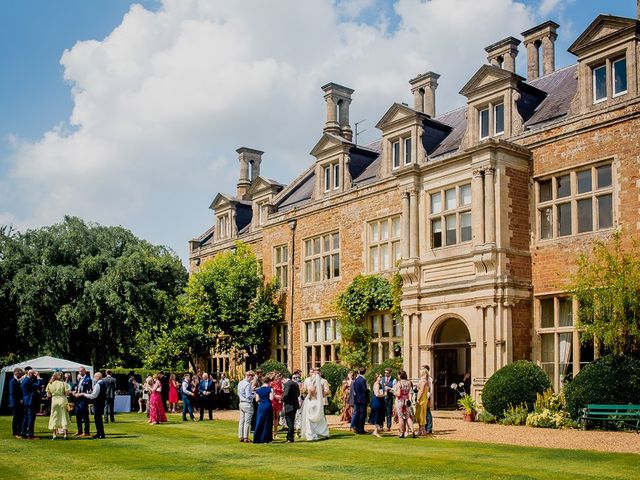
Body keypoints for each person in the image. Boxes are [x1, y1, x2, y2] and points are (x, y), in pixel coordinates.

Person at [300, 367, 330, 441]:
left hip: (319, 401)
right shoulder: (308, 381)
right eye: (313, 372)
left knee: (320, 417)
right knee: (312, 418)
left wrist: (321, 392)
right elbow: (304, 390)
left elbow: (327, 392)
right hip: (312, 401)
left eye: (316, 372)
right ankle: (313, 432)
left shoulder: (323, 381)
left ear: (320, 373)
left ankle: (321, 432)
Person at [79, 371, 106, 439]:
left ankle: (100, 433)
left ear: (98, 377)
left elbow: (93, 396)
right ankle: (99, 432)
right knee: (98, 418)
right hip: (101, 402)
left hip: (97, 403)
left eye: (94, 377)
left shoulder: (98, 384)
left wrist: (83, 394)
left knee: (98, 419)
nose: (94, 378)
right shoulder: (103, 383)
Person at [46, 372, 70, 439]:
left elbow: (48, 395)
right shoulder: (64, 384)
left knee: (54, 416)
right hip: (62, 400)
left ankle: (54, 434)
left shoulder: (49, 384)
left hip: (54, 400)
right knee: (64, 416)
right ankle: (65, 434)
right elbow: (67, 393)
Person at [21, 367, 42, 439]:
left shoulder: (26, 380)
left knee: (26, 418)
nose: (34, 375)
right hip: (30, 401)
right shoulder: (27, 381)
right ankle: (30, 434)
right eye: (33, 374)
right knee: (31, 418)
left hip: (27, 401)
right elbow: (37, 385)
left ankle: (23, 433)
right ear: (29, 374)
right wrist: (39, 377)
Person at [253, 375, 274, 444]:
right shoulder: (270, 389)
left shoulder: (258, 390)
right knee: (268, 422)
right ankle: (267, 438)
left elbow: (257, 400)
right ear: (269, 382)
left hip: (261, 406)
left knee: (259, 421)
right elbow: (271, 398)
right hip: (268, 405)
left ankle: (257, 438)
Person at [394, 370, 415, 438]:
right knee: (408, 417)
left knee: (401, 417)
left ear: (400, 375)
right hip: (407, 400)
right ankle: (413, 432)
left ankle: (402, 433)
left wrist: (394, 392)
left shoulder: (399, 383)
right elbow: (410, 392)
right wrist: (409, 399)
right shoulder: (409, 382)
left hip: (400, 401)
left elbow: (399, 394)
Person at [282, 372, 300, 443]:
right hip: (295, 404)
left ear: (284, 378)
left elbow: (286, 395)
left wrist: (281, 399)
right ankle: (290, 437)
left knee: (290, 422)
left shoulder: (287, 384)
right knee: (292, 421)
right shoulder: (295, 384)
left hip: (289, 405)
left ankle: (290, 438)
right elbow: (298, 394)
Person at [237, 370, 255, 442]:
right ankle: (245, 437)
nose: (252, 379)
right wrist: (255, 395)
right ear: (249, 376)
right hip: (247, 403)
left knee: (241, 420)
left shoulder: (240, 382)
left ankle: (241, 436)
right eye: (252, 377)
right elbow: (248, 396)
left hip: (241, 402)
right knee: (247, 421)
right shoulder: (247, 384)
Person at [352, 367, 368, 434]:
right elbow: (364, 390)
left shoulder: (356, 379)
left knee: (357, 414)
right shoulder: (363, 380)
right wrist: (368, 389)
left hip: (356, 399)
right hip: (362, 399)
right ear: (365, 372)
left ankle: (357, 427)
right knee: (362, 414)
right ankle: (361, 429)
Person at [369, 373, 386, 437]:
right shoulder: (376, 384)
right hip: (377, 401)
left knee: (379, 416)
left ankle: (375, 431)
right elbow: (377, 394)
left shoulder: (380, 384)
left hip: (380, 401)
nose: (381, 378)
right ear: (377, 377)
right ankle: (376, 432)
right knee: (377, 416)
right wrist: (384, 395)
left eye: (381, 377)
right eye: (380, 377)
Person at [9, 368, 24, 439]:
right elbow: (12, 392)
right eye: (19, 373)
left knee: (20, 417)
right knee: (16, 417)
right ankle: (15, 432)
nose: (21, 374)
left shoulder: (18, 381)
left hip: (18, 402)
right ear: (15, 373)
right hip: (15, 402)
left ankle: (19, 431)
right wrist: (19, 399)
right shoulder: (13, 381)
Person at [380, 367, 397, 431]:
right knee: (382, 412)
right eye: (385, 373)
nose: (385, 374)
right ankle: (381, 425)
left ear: (390, 373)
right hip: (382, 397)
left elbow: (395, 389)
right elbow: (380, 388)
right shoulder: (382, 379)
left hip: (389, 397)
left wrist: (390, 389)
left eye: (387, 373)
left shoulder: (394, 380)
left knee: (389, 412)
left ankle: (388, 426)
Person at [415, 367, 429, 436]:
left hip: (422, 399)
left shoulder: (423, 380)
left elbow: (422, 390)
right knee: (420, 414)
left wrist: (417, 399)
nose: (419, 372)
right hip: (423, 398)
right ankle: (421, 430)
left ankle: (422, 430)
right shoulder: (424, 380)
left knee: (421, 414)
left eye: (420, 371)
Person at [270, 372, 284, 437]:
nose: (279, 379)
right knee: (272, 417)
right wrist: (275, 396)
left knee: (276, 417)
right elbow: (270, 392)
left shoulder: (281, 384)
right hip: (273, 401)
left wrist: (281, 397)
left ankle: (276, 432)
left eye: (280, 377)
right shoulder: (272, 384)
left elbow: (283, 392)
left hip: (279, 402)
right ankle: (271, 432)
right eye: (278, 377)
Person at [424, 365, 434, 435]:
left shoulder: (429, 379)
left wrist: (427, 396)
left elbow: (431, 389)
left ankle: (429, 428)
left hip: (426, 397)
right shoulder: (423, 378)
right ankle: (425, 427)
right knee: (424, 413)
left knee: (427, 412)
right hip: (423, 397)